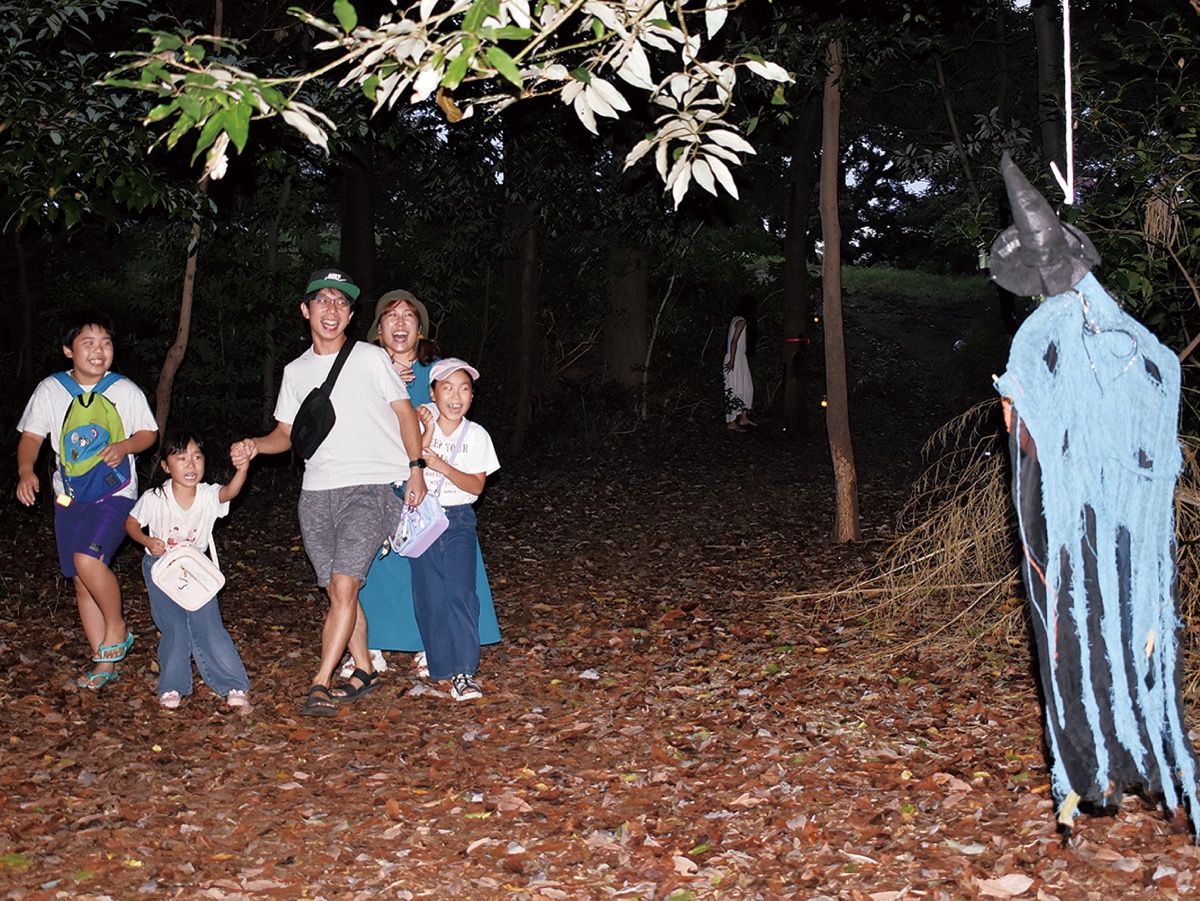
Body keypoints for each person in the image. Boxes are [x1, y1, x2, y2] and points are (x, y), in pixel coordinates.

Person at [233, 268, 428, 717]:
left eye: (341, 302)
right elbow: (286, 434)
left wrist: (415, 468)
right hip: (317, 491)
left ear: (351, 313)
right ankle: (363, 667)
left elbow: (404, 416)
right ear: (305, 310)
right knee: (339, 592)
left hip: (373, 484)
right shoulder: (296, 370)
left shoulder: (370, 358)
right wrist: (255, 446)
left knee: (345, 582)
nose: (332, 309)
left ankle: (320, 680)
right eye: (322, 300)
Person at [354, 291, 501, 680]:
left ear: (421, 329)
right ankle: (372, 642)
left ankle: (431, 643)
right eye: (391, 316)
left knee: (436, 565)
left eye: (409, 316)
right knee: (378, 564)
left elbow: (457, 423)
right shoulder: (362, 368)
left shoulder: (440, 374)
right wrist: (379, 384)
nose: (400, 323)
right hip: (378, 476)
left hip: (434, 485)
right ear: (378, 329)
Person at [15, 311, 158, 689]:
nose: (99, 350)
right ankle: (103, 662)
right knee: (81, 579)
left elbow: (148, 433)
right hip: (69, 495)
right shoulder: (51, 389)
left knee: (87, 559)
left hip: (115, 491)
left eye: (106, 343)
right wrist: (26, 471)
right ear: (68, 350)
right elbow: (32, 436)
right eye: (88, 343)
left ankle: (117, 627)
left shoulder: (124, 389)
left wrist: (125, 445)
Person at [125, 430, 252, 710]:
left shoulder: (207, 495)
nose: (191, 465)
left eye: (197, 457)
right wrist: (146, 540)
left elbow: (229, 492)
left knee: (209, 624)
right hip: (160, 569)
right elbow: (131, 523)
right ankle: (173, 686)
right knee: (174, 626)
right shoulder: (155, 498)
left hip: (196, 569)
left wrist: (242, 469)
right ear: (166, 466)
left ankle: (232, 682)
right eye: (181, 458)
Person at [409, 357, 500, 701]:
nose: (456, 396)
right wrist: (427, 433)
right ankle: (442, 669)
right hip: (422, 521)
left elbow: (476, 487)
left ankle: (465, 671)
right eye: (447, 388)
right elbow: (407, 467)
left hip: (459, 519)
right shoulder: (418, 429)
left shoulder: (477, 435)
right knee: (429, 596)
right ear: (432, 392)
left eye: (464, 389)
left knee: (460, 593)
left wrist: (441, 465)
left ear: (472, 397)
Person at [723, 295, 758, 431]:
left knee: (746, 387)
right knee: (732, 389)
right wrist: (732, 360)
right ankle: (731, 422)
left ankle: (743, 418)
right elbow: (734, 341)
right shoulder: (741, 321)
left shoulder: (737, 319)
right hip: (735, 358)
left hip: (740, 359)